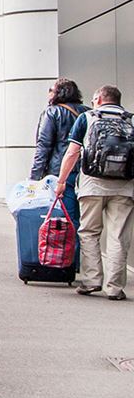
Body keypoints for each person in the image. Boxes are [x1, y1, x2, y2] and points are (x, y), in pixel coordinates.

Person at [54, 85, 134, 301]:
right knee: (118, 237)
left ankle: (91, 281)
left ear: (98, 99)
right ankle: (114, 288)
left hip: (92, 185)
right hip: (124, 187)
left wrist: (61, 181)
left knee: (89, 232)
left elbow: (72, 153)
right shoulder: (130, 120)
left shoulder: (87, 118)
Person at [32, 78, 89, 226]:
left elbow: (43, 146)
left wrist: (35, 177)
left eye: (51, 90)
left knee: (66, 217)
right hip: (86, 172)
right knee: (85, 219)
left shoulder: (52, 112)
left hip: (62, 173)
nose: (49, 94)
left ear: (59, 93)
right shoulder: (89, 113)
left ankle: (71, 242)